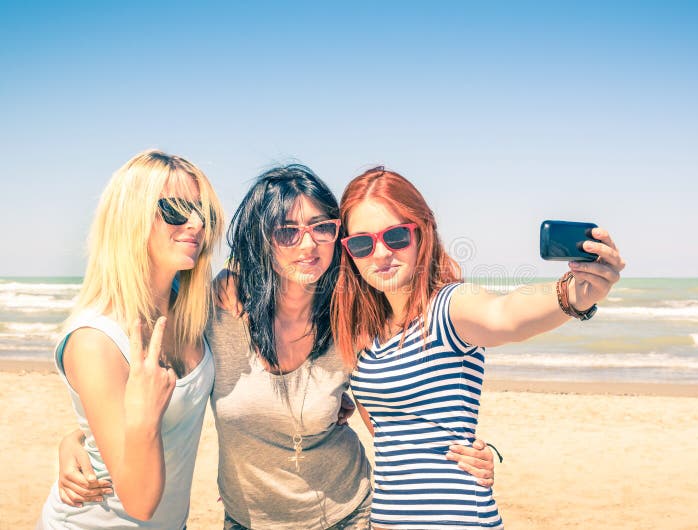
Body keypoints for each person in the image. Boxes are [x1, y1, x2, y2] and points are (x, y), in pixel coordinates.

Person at [56, 164, 496, 529]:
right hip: (247, 520)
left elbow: (395, 415)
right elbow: (131, 382)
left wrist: (461, 455)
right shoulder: (213, 309)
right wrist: (78, 436)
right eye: (287, 232)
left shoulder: (352, 316)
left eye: (322, 228)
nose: (308, 244)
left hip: (350, 514)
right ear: (260, 242)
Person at [332, 166, 626, 529]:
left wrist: (576, 294)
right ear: (347, 250)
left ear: (422, 233)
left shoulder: (448, 307)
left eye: (395, 236)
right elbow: (393, 433)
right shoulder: (367, 336)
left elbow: (505, 314)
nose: (379, 254)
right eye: (362, 243)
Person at [38, 150, 224, 528]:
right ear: (130, 218)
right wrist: (143, 414)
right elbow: (139, 503)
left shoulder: (193, 312)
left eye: (203, 212)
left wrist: (75, 438)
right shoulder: (95, 340)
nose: (195, 223)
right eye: (175, 209)